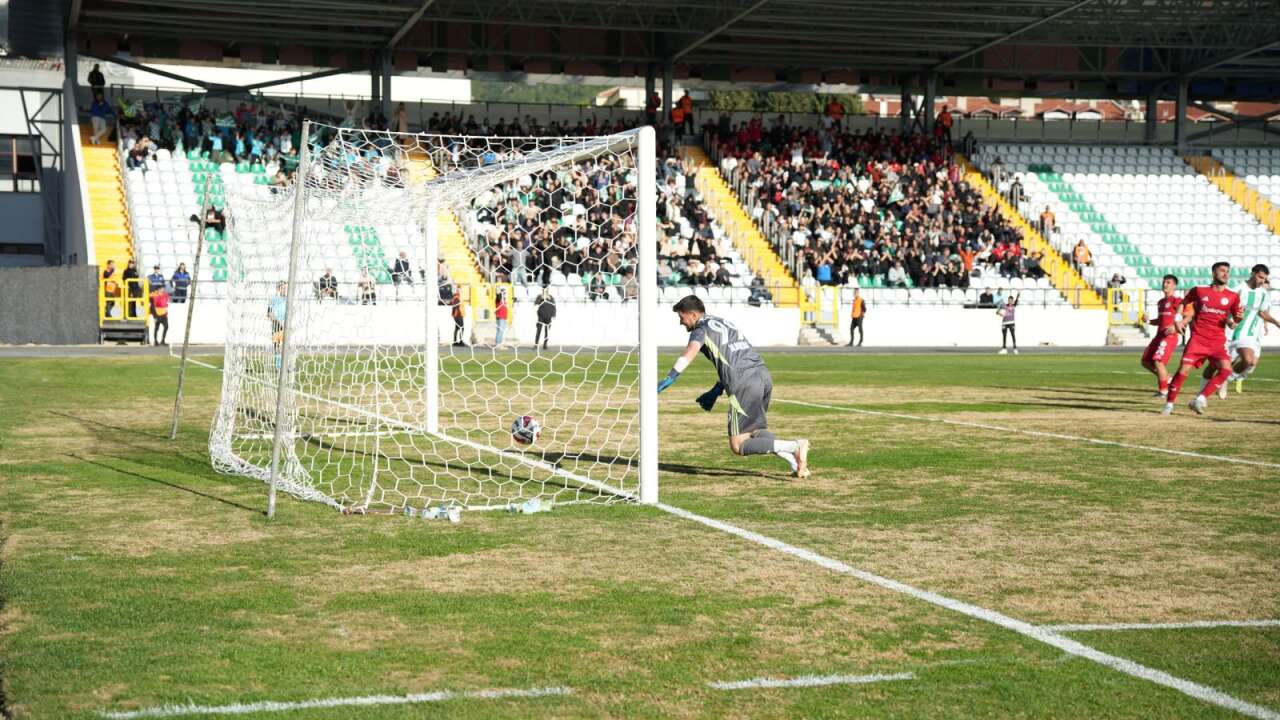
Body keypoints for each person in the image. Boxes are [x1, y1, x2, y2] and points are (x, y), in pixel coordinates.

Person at [658, 295, 811, 478]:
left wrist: (670, 377)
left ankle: (795, 446)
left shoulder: (701, 329)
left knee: (738, 445)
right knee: (754, 431)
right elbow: (735, 357)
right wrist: (716, 390)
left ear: (692, 315)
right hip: (763, 376)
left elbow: (689, 353)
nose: (681, 323)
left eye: (681, 317)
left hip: (744, 383)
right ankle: (797, 464)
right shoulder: (724, 323)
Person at [1162, 261, 1243, 416]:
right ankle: (1169, 404)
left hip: (1217, 341)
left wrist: (1236, 321)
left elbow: (1234, 321)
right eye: (1222, 271)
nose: (1226, 274)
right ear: (1213, 273)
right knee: (1183, 371)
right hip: (1198, 339)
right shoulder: (1199, 290)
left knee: (1226, 370)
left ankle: (1199, 399)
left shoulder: (1232, 296)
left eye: (1228, 271)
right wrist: (1178, 318)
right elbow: (1184, 302)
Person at [1222, 264, 1278, 396]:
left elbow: (1262, 313)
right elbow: (1223, 310)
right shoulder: (1238, 290)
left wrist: (1276, 323)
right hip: (1232, 332)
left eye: (1264, 279)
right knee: (1226, 363)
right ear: (1252, 273)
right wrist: (1229, 321)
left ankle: (1227, 379)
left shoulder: (1263, 293)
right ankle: (1220, 380)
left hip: (1249, 334)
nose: (1262, 281)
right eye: (1260, 277)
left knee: (1250, 362)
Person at [1140, 274, 1182, 399]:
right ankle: (1168, 378)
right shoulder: (1161, 302)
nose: (1165, 284)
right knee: (1146, 361)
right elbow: (1161, 320)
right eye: (1164, 282)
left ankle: (1163, 391)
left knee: (1158, 362)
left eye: (1168, 282)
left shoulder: (1177, 301)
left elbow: (1186, 316)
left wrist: (1176, 327)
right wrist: (1148, 321)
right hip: (1159, 335)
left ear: (1174, 286)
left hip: (1170, 336)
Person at [268, 281, 288, 369]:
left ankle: (283, 365)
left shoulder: (288, 299)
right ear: (278, 289)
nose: (285, 290)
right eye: (283, 288)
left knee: (284, 345)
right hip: (277, 324)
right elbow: (269, 313)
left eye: (286, 288)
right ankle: (278, 366)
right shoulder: (274, 299)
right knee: (278, 345)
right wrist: (278, 321)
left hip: (286, 324)